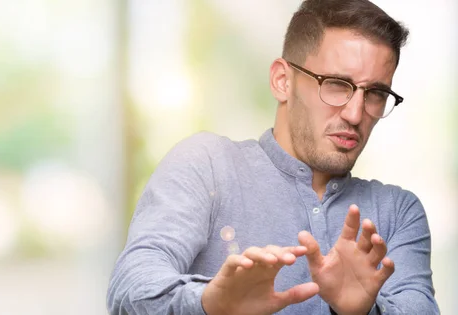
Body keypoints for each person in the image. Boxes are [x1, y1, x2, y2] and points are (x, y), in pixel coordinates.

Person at [107, 0, 440, 314]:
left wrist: (364, 311)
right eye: (337, 84)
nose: (355, 114)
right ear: (283, 81)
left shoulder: (397, 212)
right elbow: (131, 288)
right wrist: (209, 303)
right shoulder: (207, 165)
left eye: (376, 93)